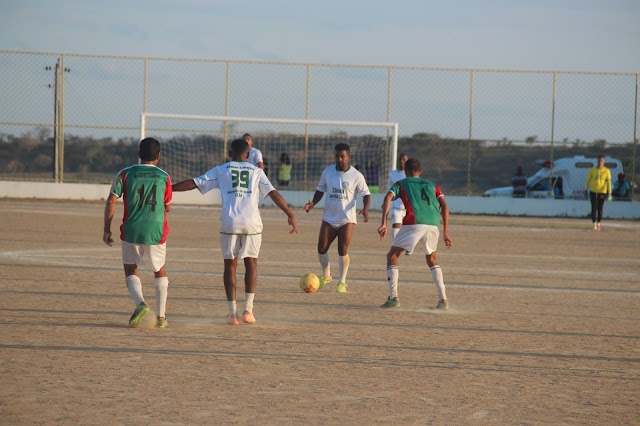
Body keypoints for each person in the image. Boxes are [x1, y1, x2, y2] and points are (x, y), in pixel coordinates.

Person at [171, 139, 297, 325]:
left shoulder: (221, 170)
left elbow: (194, 183)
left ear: (230, 153)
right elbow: (273, 193)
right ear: (247, 155)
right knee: (251, 263)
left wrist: (169, 188)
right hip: (251, 223)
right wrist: (290, 214)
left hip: (230, 222)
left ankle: (232, 314)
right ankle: (248, 310)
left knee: (230, 265)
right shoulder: (256, 171)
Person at [103, 137, 172, 328]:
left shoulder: (125, 174)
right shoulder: (164, 176)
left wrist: (106, 230)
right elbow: (166, 206)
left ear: (139, 155)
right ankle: (161, 317)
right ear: (158, 156)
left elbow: (111, 201)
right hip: (156, 229)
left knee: (131, 268)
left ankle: (141, 303)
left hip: (131, 228)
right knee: (160, 269)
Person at [377, 158, 452, 310]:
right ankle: (443, 300)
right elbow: (444, 205)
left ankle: (393, 298)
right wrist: (446, 232)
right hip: (433, 223)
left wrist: (384, 222)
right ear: (421, 171)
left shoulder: (402, 183)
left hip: (414, 222)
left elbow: (388, 197)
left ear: (405, 171)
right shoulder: (432, 185)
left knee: (392, 256)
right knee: (432, 259)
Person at [304, 143, 371, 293]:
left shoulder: (356, 176)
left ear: (349, 157)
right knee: (321, 248)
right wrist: (313, 203)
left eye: (343, 156)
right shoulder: (328, 172)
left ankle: (342, 282)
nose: (339, 159)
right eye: (337, 156)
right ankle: (327, 276)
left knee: (342, 249)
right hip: (329, 217)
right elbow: (320, 190)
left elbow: (366, 194)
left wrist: (366, 209)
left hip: (347, 218)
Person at [387, 153, 410, 254]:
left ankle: (408, 247)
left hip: (408, 207)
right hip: (396, 206)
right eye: (400, 159)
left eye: (404, 159)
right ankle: (395, 246)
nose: (402, 161)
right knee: (396, 225)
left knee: (408, 228)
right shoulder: (392, 174)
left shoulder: (410, 175)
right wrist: (386, 202)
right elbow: (389, 190)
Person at [584, 155, 612, 231]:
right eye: (599, 160)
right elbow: (588, 180)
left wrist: (609, 192)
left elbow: (609, 182)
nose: (600, 162)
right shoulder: (592, 170)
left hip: (602, 192)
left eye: (602, 161)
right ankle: (594, 224)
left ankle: (599, 223)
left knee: (600, 208)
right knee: (593, 208)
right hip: (593, 191)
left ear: (604, 162)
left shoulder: (607, 171)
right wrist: (585, 189)